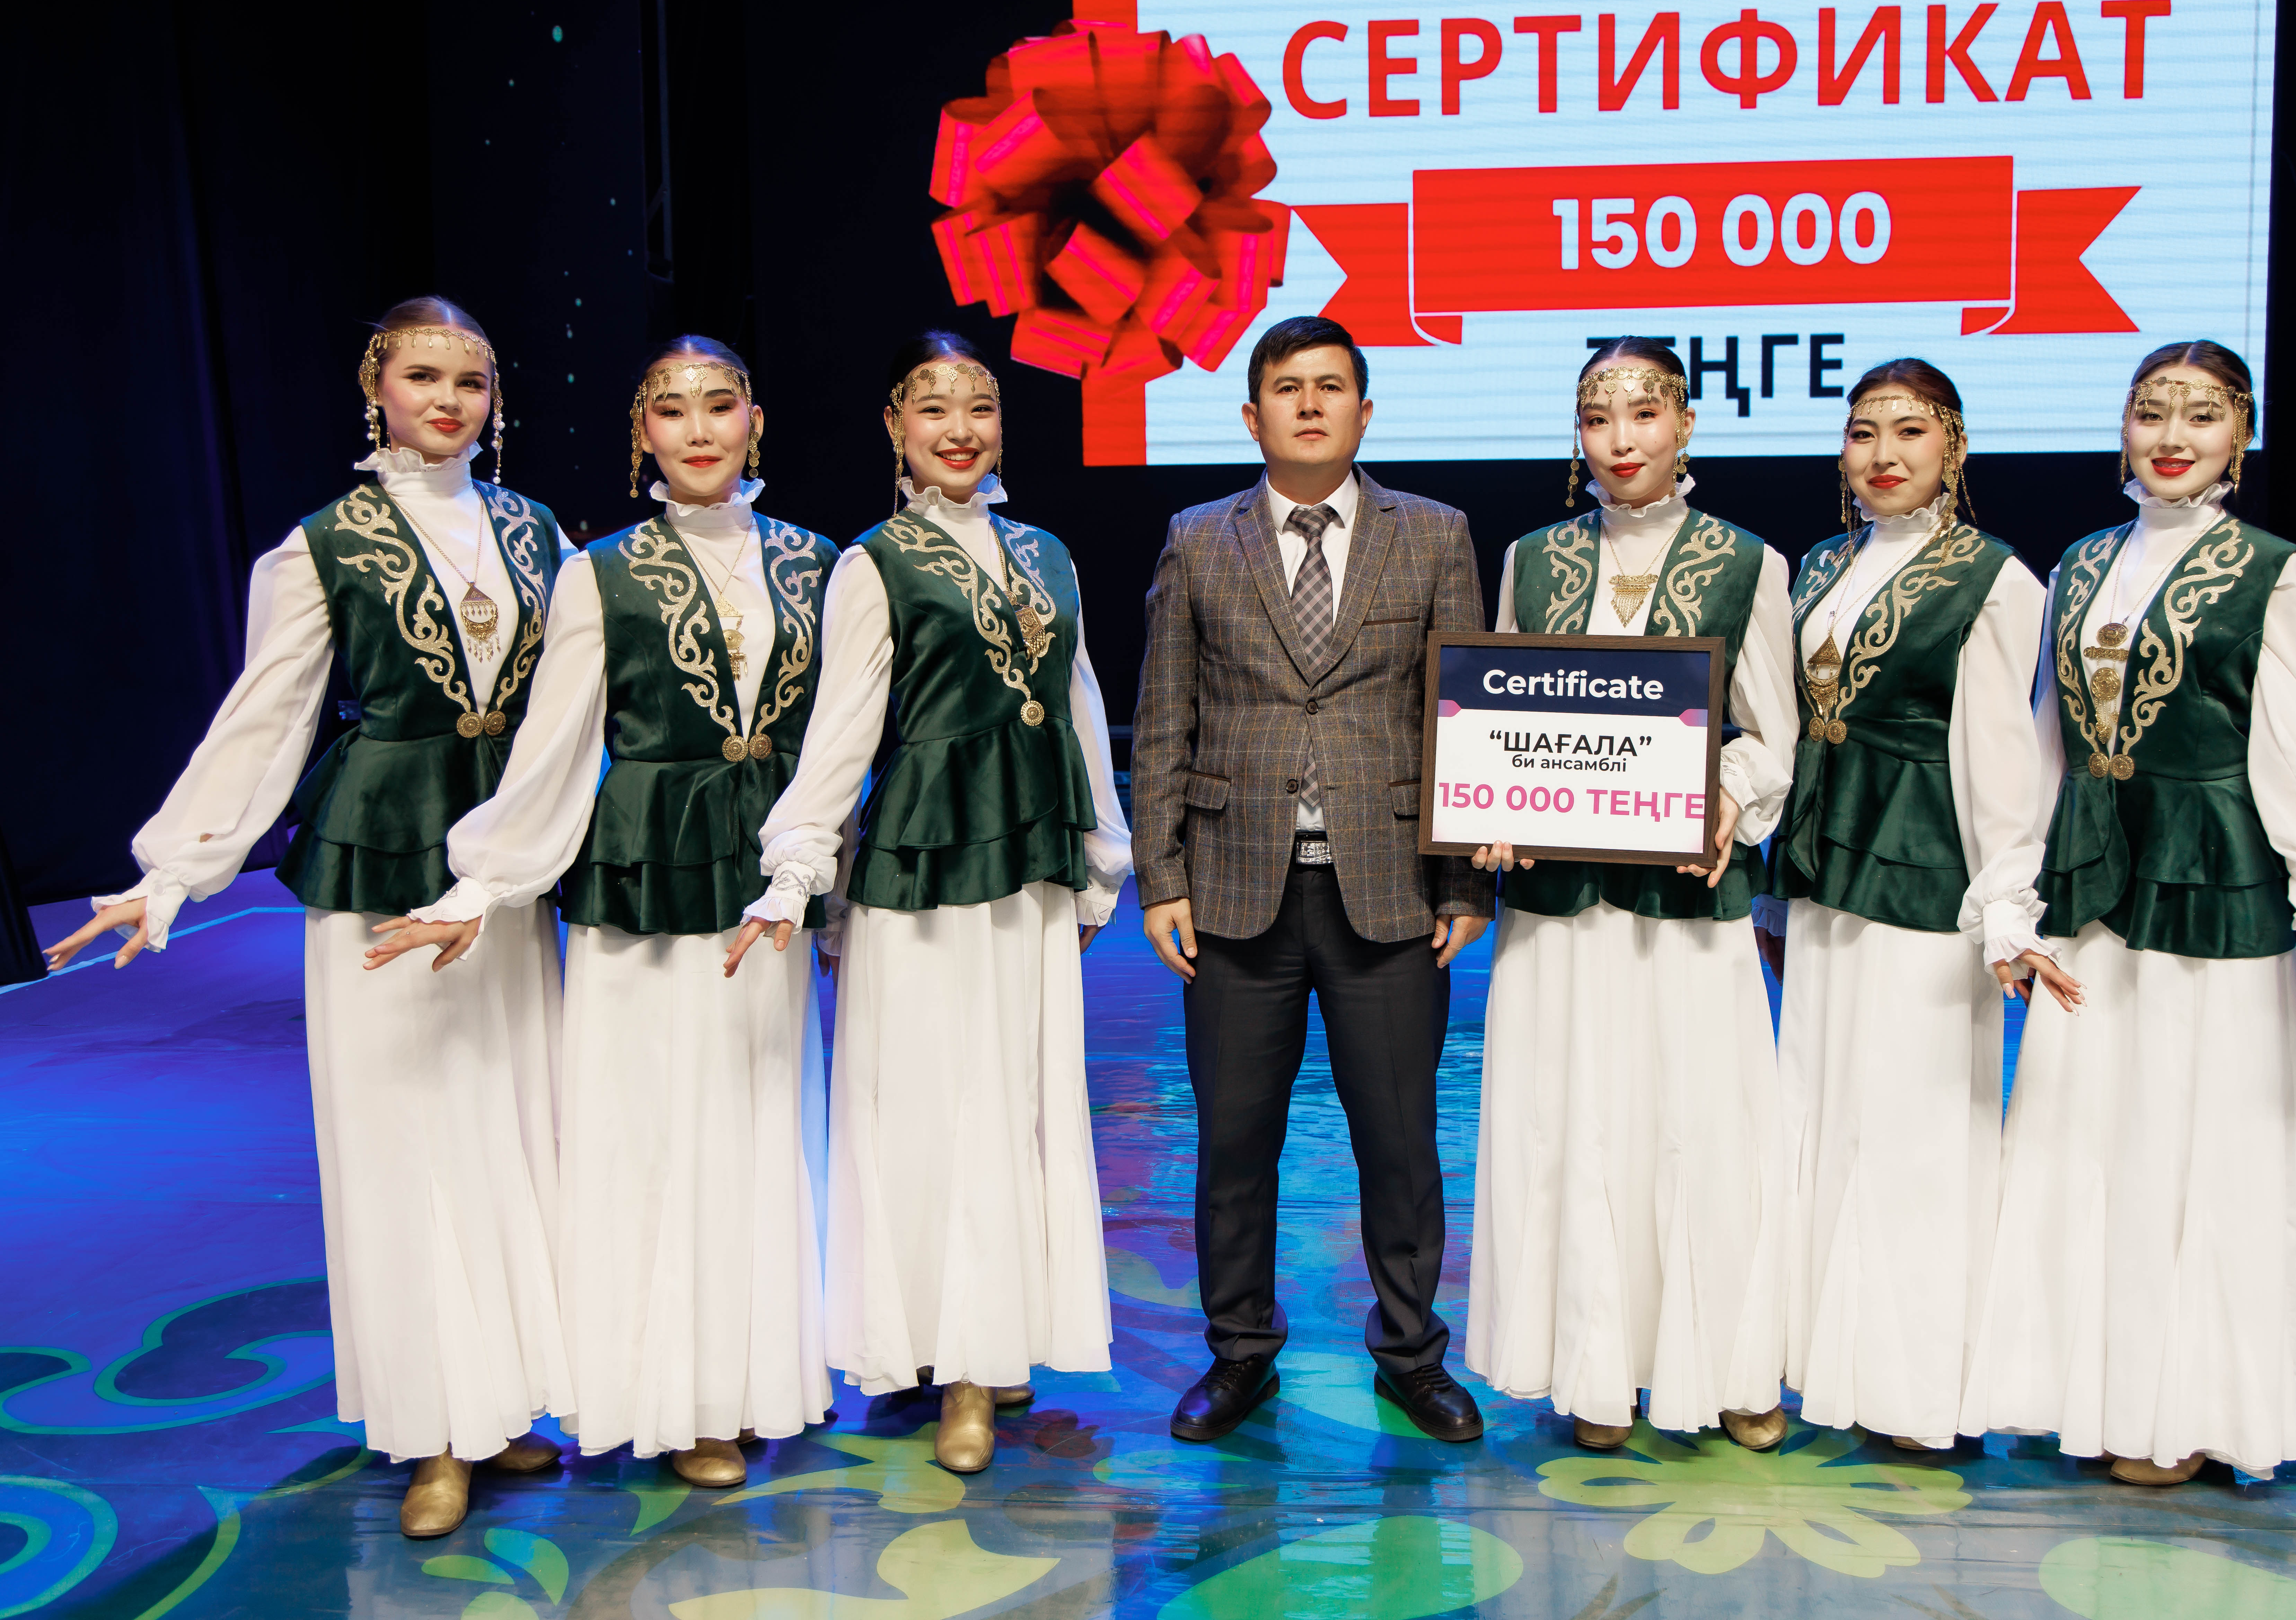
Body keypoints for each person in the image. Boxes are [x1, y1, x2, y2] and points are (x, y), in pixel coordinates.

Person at [46, 298, 573, 1537]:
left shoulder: (539, 532)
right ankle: (429, 1427)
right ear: (376, 387)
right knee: (401, 1140)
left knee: (508, 1126)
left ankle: (503, 1402)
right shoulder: (321, 546)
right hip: (381, 850)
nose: (449, 402)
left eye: (471, 383)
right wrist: (173, 870)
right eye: (423, 377)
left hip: (502, 862)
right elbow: (267, 716)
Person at [1960, 340, 2296, 1485]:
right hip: (2093, 890)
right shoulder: (2079, 564)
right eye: (2151, 410)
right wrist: (2011, 901)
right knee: (2092, 1138)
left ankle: (2198, 1411)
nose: (2172, 436)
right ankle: (2101, 1395)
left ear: (2240, 437)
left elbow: (2295, 753)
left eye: (2202, 415)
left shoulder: (2276, 574)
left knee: (2205, 1144)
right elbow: (2045, 747)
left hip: (2215, 888)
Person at [393, 337, 836, 1488]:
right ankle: (673, 1398)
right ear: (642, 436)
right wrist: (482, 885)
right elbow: (553, 749)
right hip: (642, 877)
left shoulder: (818, 562)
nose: (699, 429)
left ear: (755, 422)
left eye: (721, 405)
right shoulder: (600, 571)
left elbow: (842, 745)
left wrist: (819, 883)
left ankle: (750, 1382)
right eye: (671, 411)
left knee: (757, 1128)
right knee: (649, 1136)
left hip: (762, 880)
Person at [727, 332, 1128, 1474]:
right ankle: (952, 1366)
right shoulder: (875, 563)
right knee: (935, 1109)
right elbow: (843, 733)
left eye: (980, 407)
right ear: (896, 428)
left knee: (1016, 1104)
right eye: (933, 408)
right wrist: (796, 870)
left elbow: (1081, 706)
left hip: (1029, 868)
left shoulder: (1047, 553)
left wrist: (1102, 856)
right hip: (921, 869)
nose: (960, 429)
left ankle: (997, 1335)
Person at [1133, 315, 1492, 1443]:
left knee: (1401, 1144)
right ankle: (1240, 1353)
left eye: (1331, 386)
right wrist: (1160, 877)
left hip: (1390, 889)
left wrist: (1465, 886)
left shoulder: (1434, 534)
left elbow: (1462, 717)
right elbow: (1164, 719)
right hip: (1236, 891)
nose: (1309, 404)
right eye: (1288, 388)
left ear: (1365, 412)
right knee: (1236, 1145)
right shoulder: (1200, 539)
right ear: (1253, 416)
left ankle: (1412, 1356)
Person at [1464, 338, 1798, 1451]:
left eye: (1645, 413)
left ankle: (1728, 1369)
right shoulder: (1533, 559)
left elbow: (1774, 732)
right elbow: (1501, 711)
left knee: (1702, 1122)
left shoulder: (1748, 561)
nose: (1621, 438)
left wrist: (1728, 794)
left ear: (1685, 425)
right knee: (1572, 1123)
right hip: (1562, 908)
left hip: (1683, 907)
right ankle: (1595, 1370)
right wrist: (1493, 799)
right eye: (1598, 416)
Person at [1753, 359, 2080, 1453]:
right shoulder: (1818, 566)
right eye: (1863, 432)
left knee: (1919, 1133)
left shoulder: (1996, 579)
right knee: (1824, 1116)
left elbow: (2004, 761)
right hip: (1822, 884)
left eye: (1911, 431)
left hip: (1927, 887)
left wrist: (2007, 911)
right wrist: (1772, 899)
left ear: (1955, 448)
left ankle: (1919, 1390)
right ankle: (1827, 1364)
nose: (1884, 454)